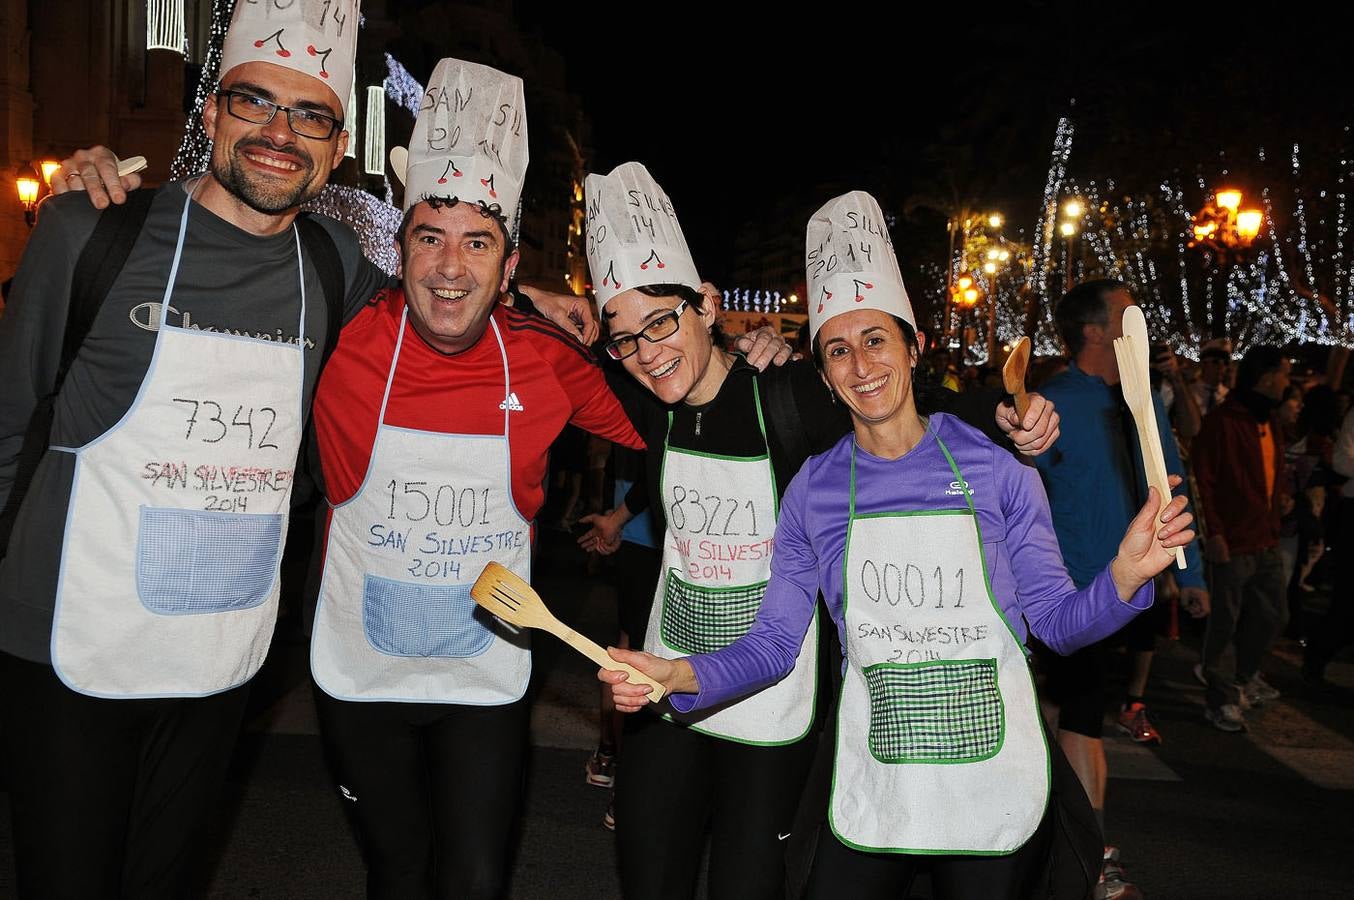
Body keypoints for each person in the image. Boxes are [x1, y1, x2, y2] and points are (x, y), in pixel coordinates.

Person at [600, 190, 1195, 900]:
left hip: (991, 789)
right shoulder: (814, 493)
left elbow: (1058, 627)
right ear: (820, 373)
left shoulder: (997, 471)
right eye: (838, 350)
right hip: (873, 785)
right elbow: (769, 649)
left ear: (914, 345)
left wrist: (1123, 577)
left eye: (877, 339)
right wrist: (675, 676)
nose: (860, 365)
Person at [0, 5, 378, 895]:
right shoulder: (90, 231)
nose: (280, 134)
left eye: (310, 115)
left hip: (218, 646)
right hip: (64, 642)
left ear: (338, 145)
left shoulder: (334, 266)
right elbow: (10, 422)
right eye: (254, 102)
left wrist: (544, 306)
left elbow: (445, 309)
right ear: (210, 112)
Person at [1033, 278, 1207, 899]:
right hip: (1063, 595)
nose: (1142, 322)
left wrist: (1192, 575)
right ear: (1095, 331)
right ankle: (1089, 851)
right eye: (1128, 314)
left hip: (1129, 588)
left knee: (1077, 717)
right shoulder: (1046, 404)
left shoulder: (1142, 402)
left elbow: (1171, 489)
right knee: (1075, 715)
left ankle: (1073, 845)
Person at [1192, 345, 1292, 730]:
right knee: (1225, 623)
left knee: (1272, 614)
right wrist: (1214, 531)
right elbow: (1205, 479)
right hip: (1232, 540)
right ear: (1266, 377)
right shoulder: (1224, 422)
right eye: (1284, 373)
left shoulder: (1266, 421)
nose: (1287, 381)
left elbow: (1271, 470)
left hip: (1264, 536)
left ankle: (1242, 676)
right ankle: (1221, 696)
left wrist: (1278, 497)